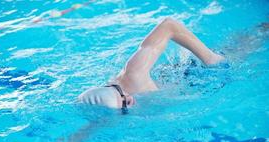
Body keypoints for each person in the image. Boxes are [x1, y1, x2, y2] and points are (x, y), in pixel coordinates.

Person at [78, 17, 225, 114]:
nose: (128, 101)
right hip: (186, 88)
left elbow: (169, 25)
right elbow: (90, 129)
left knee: (241, 47)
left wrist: (210, 59)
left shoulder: (134, 74)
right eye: (123, 107)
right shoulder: (107, 111)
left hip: (195, 72)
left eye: (122, 97)